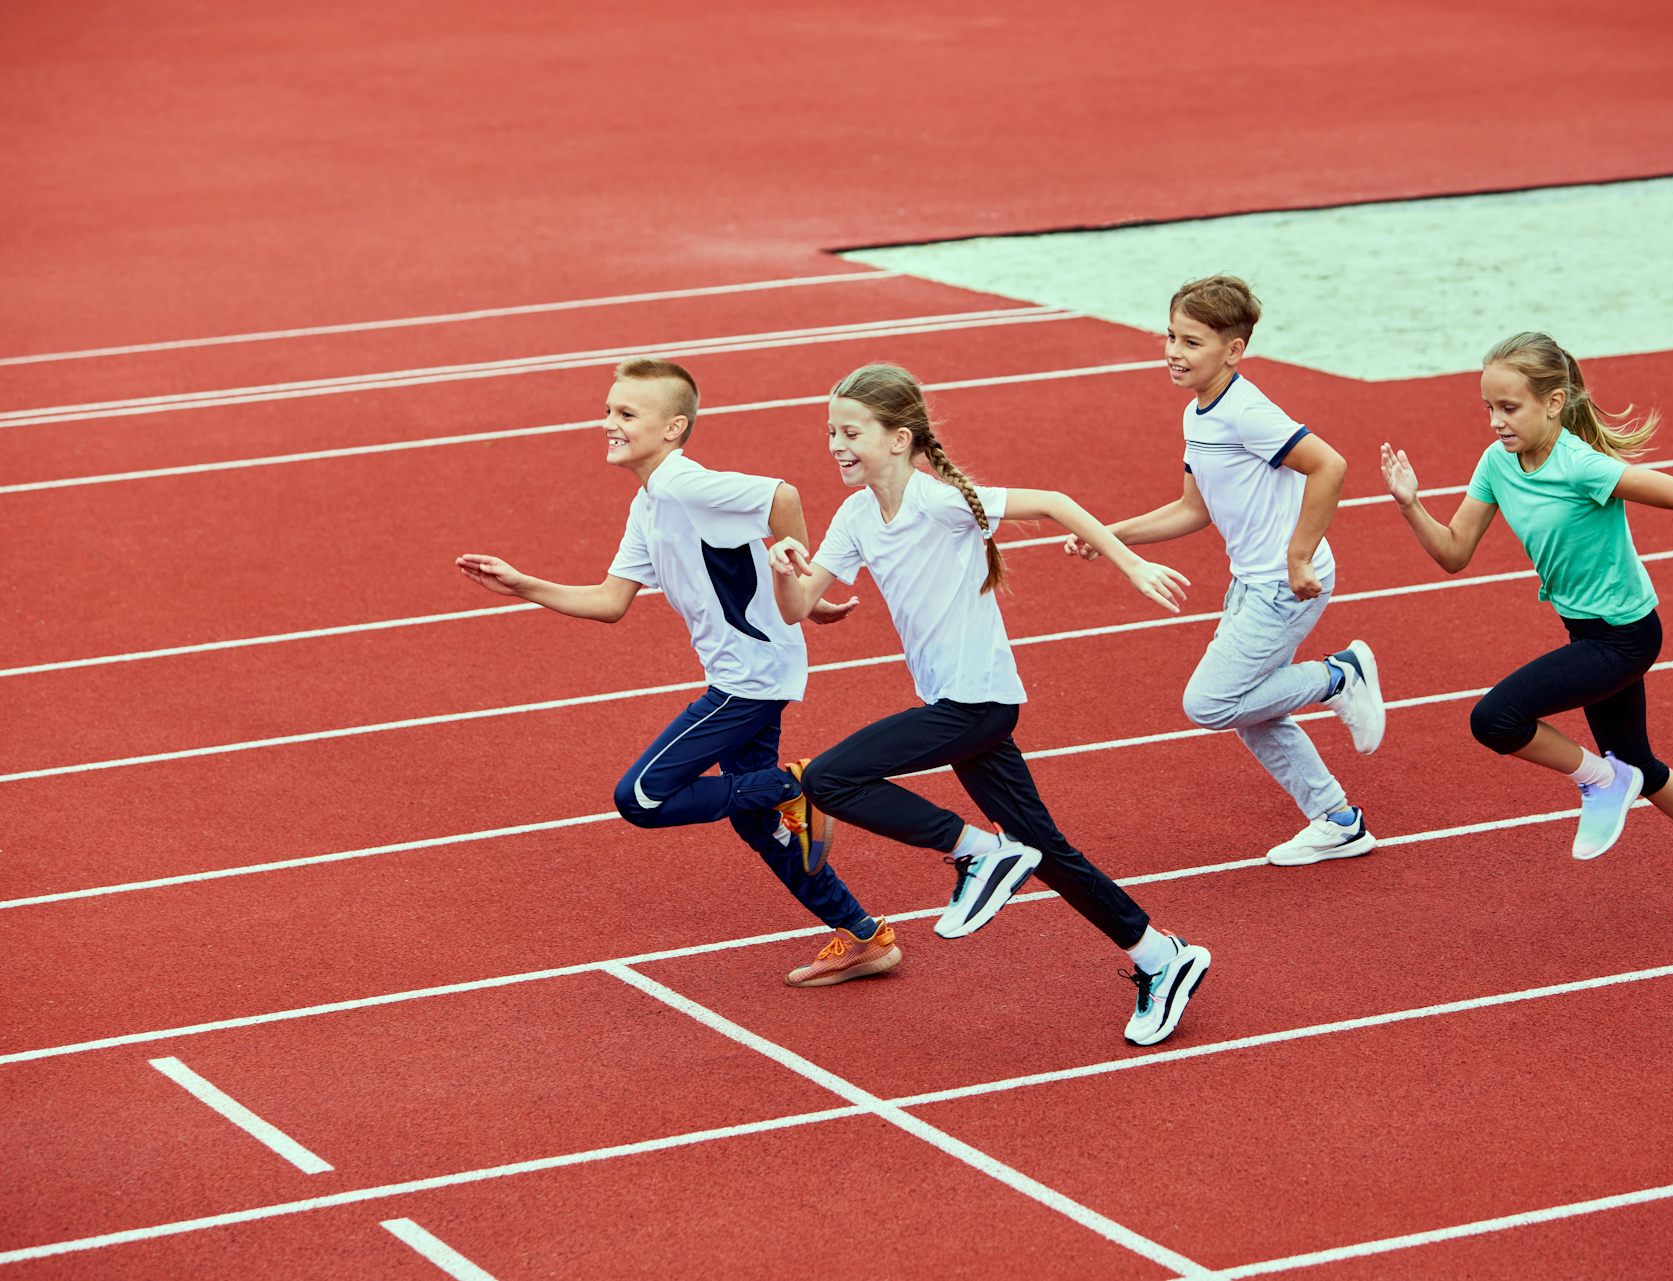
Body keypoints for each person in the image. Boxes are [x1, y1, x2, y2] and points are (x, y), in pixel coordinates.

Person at [767, 362, 1209, 1046]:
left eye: (851, 430)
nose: (835, 443)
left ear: (899, 438)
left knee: (829, 778)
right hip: (959, 706)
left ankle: (977, 853)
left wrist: (1131, 562)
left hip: (978, 704)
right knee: (1047, 848)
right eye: (830, 431)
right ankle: (1160, 954)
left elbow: (1056, 501)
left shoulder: (939, 502)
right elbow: (798, 608)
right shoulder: (857, 514)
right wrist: (787, 571)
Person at [456, 357, 900, 988]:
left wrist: (801, 585)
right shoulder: (650, 506)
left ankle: (795, 785)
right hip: (748, 672)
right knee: (755, 820)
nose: (607, 422)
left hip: (747, 680)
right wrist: (525, 584)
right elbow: (610, 603)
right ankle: (863, 935)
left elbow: (782, 495)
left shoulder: (688, 486)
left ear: (673, 428)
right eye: (608, 410)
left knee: (640, 797)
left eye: (625, 414)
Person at [1380, 331, 1673, 919]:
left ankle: (1600, 780)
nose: (1495, 420)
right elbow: (1454, 552)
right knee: (1638, 762)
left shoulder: (1582, 467)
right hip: (1586, 632)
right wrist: (1411, 504)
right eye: (1487, 407)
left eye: (1509, 407)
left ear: (1554, 401)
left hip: (1625, 636)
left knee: (1495, 719)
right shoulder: (1497, 464)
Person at [1064, 275, 1387, 867]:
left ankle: (1338, 677)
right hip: (1250, 583)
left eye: (1191, 342)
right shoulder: (1197, 414)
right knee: (1251, 709)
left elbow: (1331, 466)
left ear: (1232, 351)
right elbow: (1194, 509)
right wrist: (1109, 536)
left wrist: (1297, 554)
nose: (1173, 352)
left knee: (1210, 704)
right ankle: (1338, 820)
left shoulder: (1246, 412)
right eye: (1170, 337)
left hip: (1286, 585)